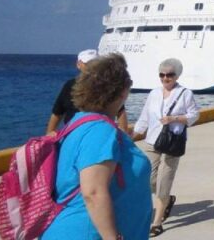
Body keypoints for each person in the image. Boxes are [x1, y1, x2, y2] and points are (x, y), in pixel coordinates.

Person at [41, 53, 151, 240]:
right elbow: (93, 192)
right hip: (86, 232)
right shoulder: (99, 131)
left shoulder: (79, 122)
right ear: (122, 92)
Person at [132, 58, 200, 236]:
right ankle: (168, 199)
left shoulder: (185, 93)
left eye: (169, 75)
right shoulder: (154, 93)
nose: (165, 78)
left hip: (173, 142)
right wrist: (131, 136)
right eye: (162, 75)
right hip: (153, 140)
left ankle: (157, 222)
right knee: (148, 179)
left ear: (177, 75)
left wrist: (174, 119)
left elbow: (194, 116)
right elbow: (145, 117)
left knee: (164, 181)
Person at [47, 49, 130, 135]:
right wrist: (49, 134)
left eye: (95, 64)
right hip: (73, 132)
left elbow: (120, 110)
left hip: (99, 132)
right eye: (88, 64)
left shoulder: (106, 85)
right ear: (78, 64)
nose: (91, 67)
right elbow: (58, 112)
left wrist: (123, 133)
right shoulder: (70, 85)